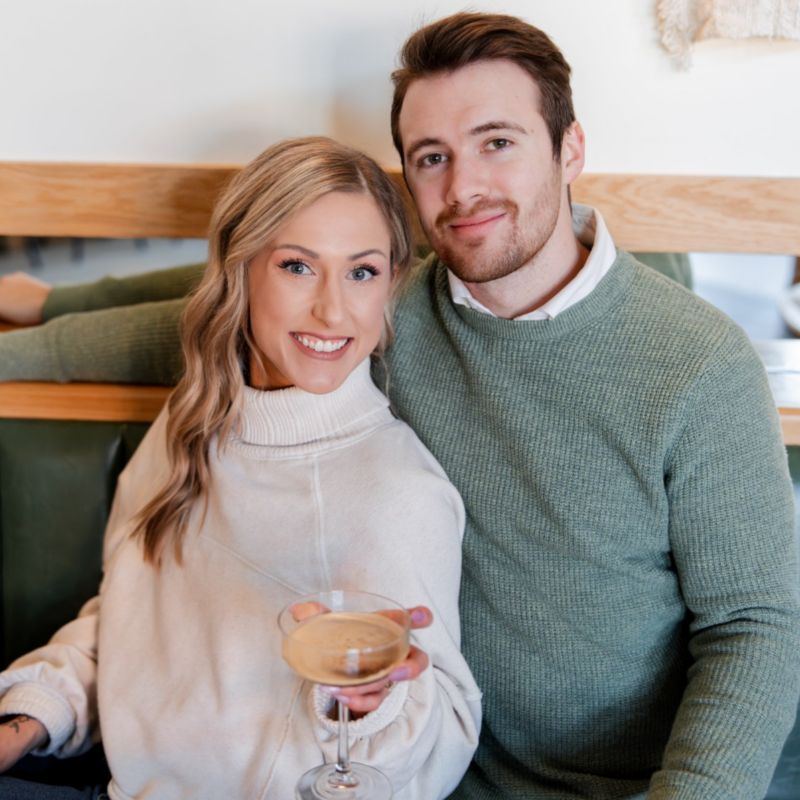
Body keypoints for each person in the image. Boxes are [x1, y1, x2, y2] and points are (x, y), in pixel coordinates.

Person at [0, 11, 796, 800]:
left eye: (497, 143)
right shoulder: (383, 311)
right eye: (432, 157)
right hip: (417, 771)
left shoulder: (697, 363)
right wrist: (48, 305)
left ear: (570, 150)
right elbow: (215, 302)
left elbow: (755, 628)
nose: (464, 187)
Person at [0, 137, 481, 799]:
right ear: (240, 268)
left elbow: (442, 738)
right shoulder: (194, 419)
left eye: (362, 272)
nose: (333, 310)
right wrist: (27, 719)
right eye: (298, 266)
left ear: (391, 284)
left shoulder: (395, 491)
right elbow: (129, 623)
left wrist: (375, 706)